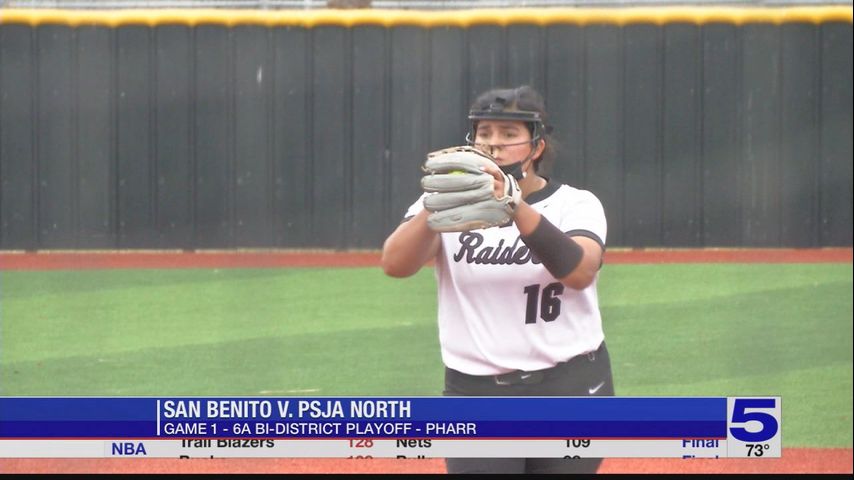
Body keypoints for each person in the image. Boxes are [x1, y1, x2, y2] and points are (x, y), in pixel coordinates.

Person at [380, 85, 614, 474]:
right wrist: (435, 206)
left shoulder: (575, 204)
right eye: (485, 133)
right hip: (476, 393)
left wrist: (513, 205)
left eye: (509, 135)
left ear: (536, 146)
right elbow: (395, 264)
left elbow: (579, 272)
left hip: (572, 387)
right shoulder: (444, 203)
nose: (494, 145)